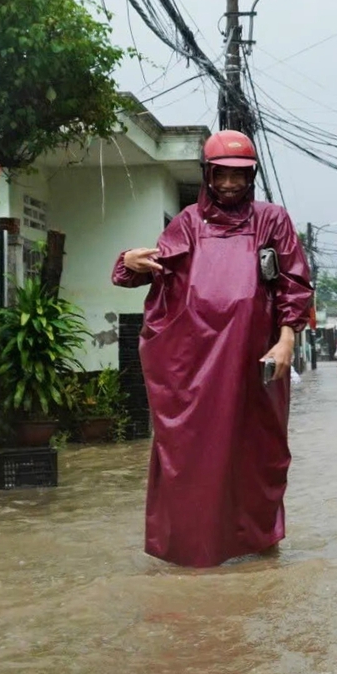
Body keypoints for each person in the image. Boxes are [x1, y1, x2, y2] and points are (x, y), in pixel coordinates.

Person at [113, 131, 312, 567]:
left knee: (261, 454)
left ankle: (262, 550)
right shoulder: (186, 222)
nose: (228, 185)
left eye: (238, 176)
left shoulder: (271, 220)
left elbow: (294, 286)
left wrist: (285, 340)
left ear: (251, 177)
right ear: (207, 175)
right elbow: (148, 269)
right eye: (220, 175)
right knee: (192, 455)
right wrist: (128, 261)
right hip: (195, 363)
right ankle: (194, 551)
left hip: (255, 362)